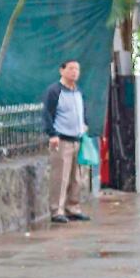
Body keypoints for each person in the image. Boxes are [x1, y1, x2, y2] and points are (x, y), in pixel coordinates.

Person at [41, 59, 90, 224]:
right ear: (62, 70)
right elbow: (47, 113)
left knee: (76, 177)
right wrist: (52, 134)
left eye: (77, 69)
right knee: (60, 177)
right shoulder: (54, 91)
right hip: (62, 140)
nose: (74, 72)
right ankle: (57, 210)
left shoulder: (78, 91)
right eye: (71, 68)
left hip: (78, 139)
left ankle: (73, 207)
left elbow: (83, 111)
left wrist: (85, 125)